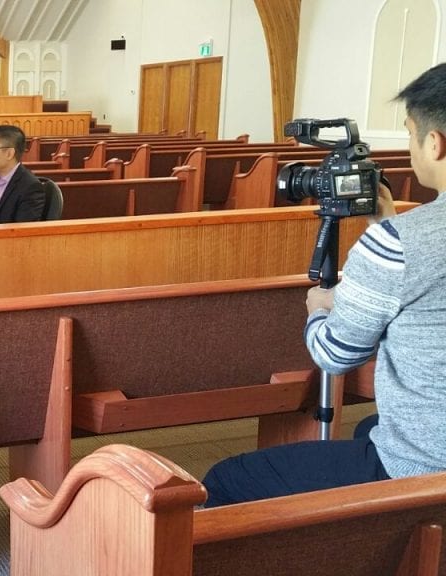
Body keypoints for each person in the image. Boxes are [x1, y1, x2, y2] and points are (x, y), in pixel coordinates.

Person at [201, 62, 446, 508]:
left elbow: (334, 355)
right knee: (366, 426)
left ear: (435, 143)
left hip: (425, 468)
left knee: (225, 479)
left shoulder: (400, 244)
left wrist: (319, 307)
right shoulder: (400, 239)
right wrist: (385, 224)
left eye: (411, 135)